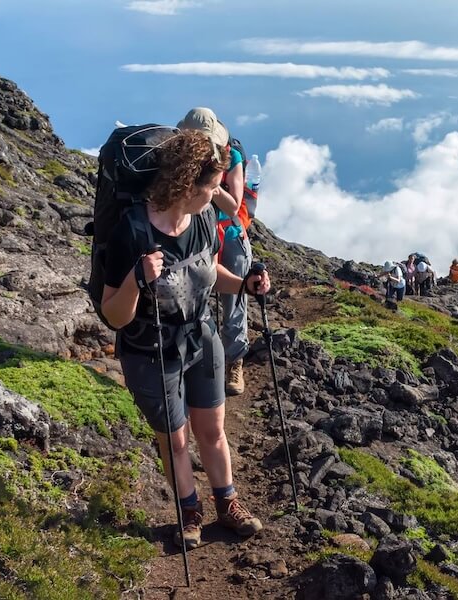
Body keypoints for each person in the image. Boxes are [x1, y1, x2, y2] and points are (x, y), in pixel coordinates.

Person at [100, 130, 267, 549]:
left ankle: (227, 504)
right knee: (175, 438)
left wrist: (245, 285)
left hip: (200, 336)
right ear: (185, 187)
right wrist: (138, 280)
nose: (216, 195)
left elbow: (208, 277)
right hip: (149, 349)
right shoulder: (132, 233)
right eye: (210, 187)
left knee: (212, 429)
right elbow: (114, 314)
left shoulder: (205, 220)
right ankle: (189, 510)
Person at [177, 107, 250, 397]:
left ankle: (235, 359)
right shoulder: (181, 153)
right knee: (193, 293)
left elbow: (234, 206)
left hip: (228, 234)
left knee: (234, 295)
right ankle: (197, 358)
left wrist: (211, 181)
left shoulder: (232, 156)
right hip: (196, 232)